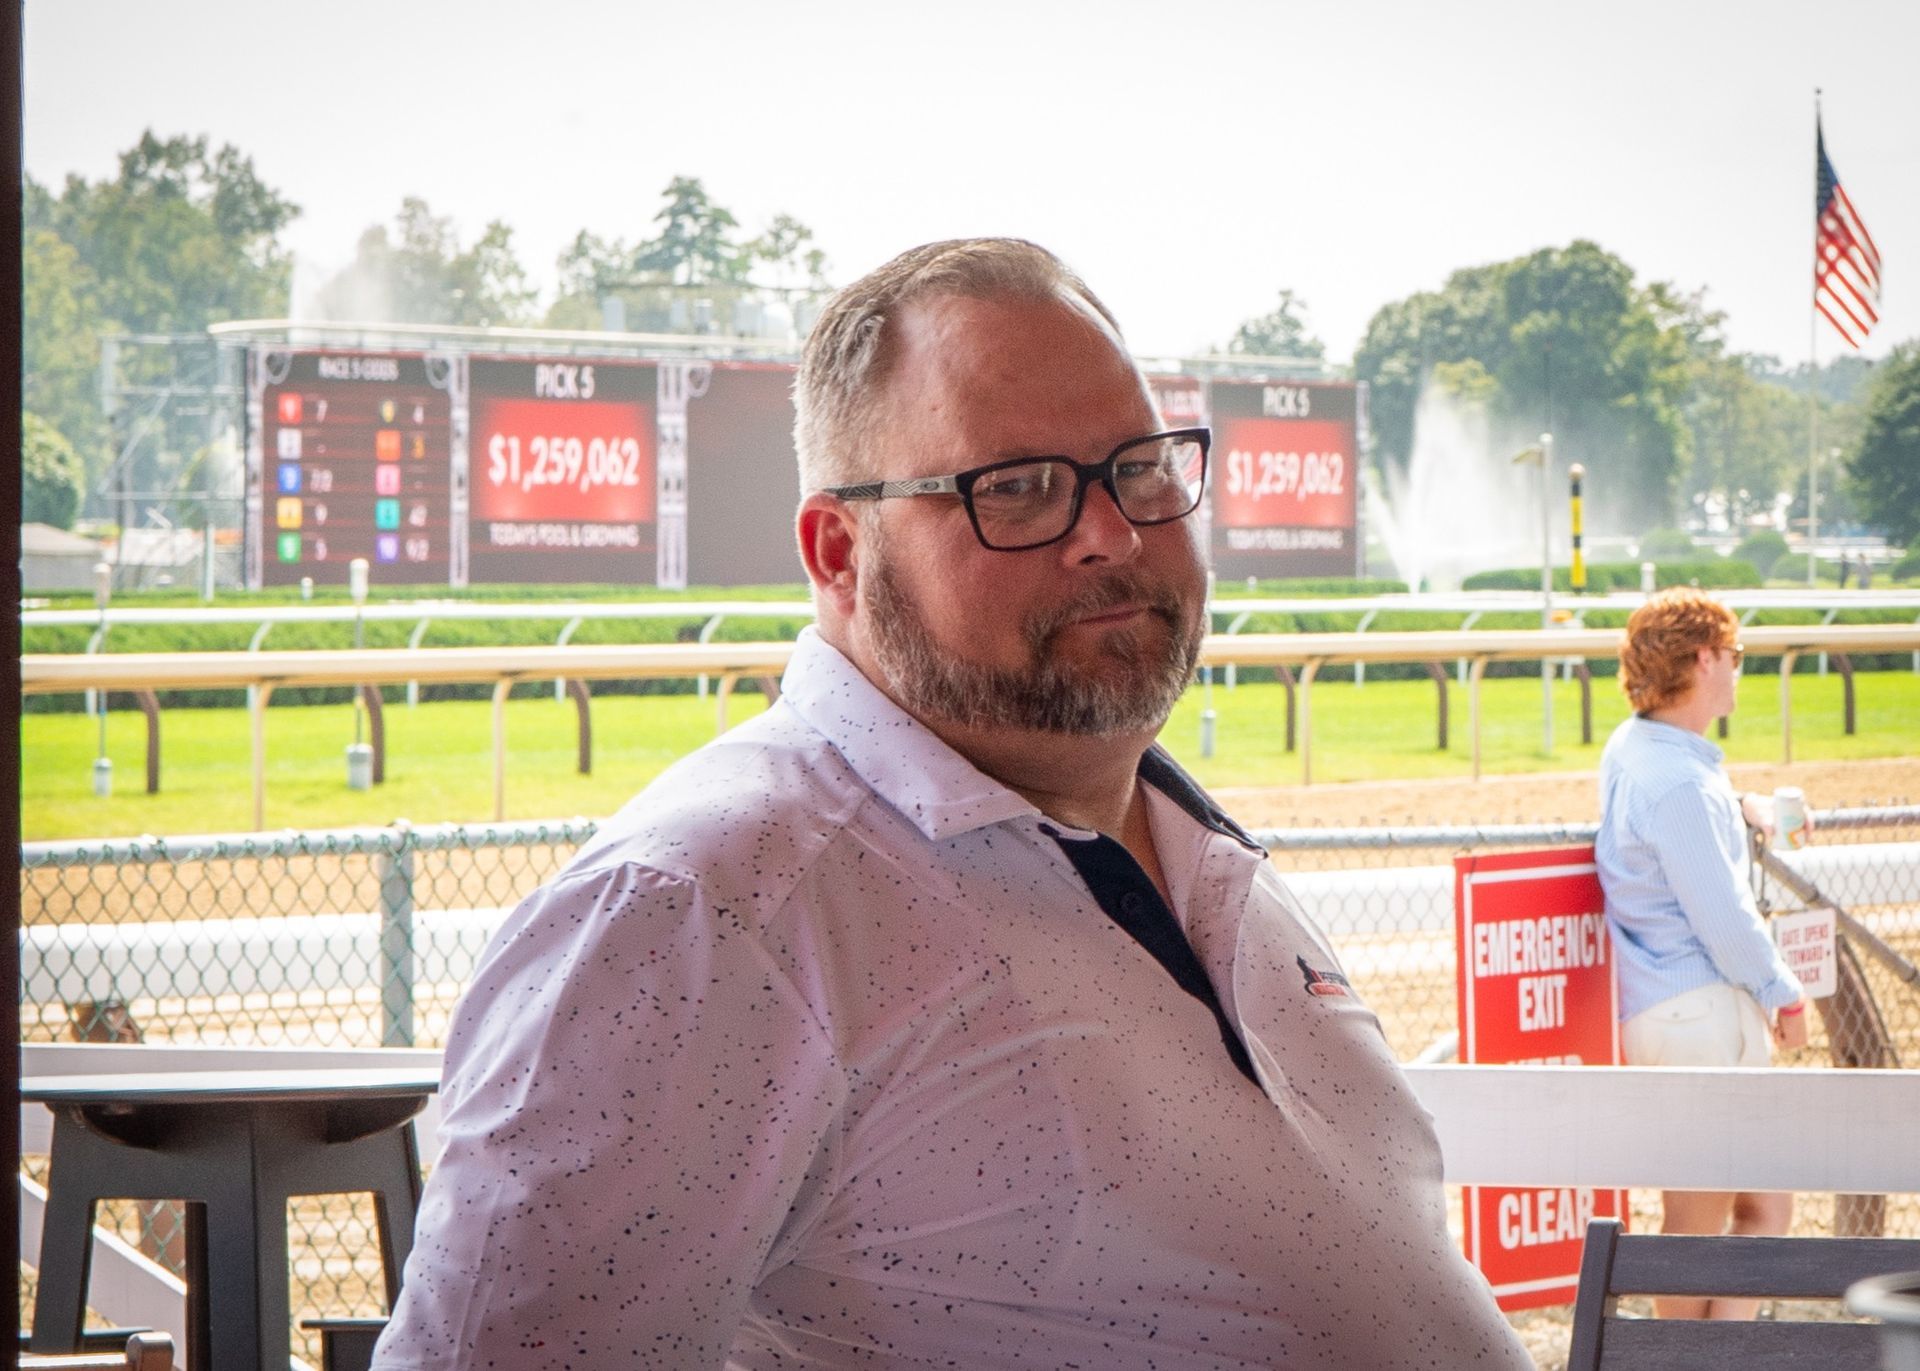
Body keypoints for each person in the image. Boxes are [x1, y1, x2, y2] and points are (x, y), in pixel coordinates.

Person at [373, 239, 1531, 1369]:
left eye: (1142, 466)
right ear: (839, 554)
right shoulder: (704, 911)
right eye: (1017, 489)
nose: (1113, 534)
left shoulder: (1189, 847)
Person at [1596, 586, 1810, 1321]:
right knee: (1705, 1221)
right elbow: (1722, 916)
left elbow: (1681, 828)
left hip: (1669, 1010)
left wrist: (1743, 801)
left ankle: (1714, 1356)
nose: (1739, 670)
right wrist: (1784, 991)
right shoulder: (1680, 782)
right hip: (1702, 1013)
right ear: (1703, 658)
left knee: (1757, 1206)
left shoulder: (1641, 749)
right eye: (1736, 656)